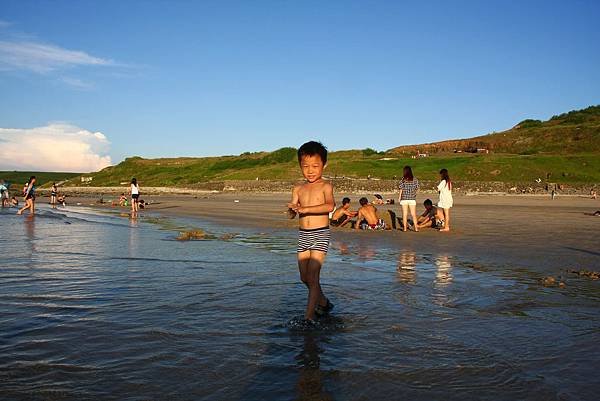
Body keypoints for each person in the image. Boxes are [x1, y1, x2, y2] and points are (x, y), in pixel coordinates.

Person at [287, 141, 335, 324]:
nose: (310, 170)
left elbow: (330, 205)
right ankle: (323, 302)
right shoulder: (298, 188)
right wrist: (292, 210)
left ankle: (309, 317)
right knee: (304, 277)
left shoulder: (326, 186)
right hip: (303, 235)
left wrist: (305, 209)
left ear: (324, 165)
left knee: (313, 276)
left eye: (315, 166)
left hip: (320, 233)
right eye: (305, 166)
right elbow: (294, 213)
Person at [398, 166, 419, 232]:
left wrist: (399, 197)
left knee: (404, 214)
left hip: (404, 198)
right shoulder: (415, 179)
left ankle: (404, 228)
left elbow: (401, 189)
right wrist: (414, 194)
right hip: (412, 199)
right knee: (413, 214)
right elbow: (417, 188)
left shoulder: (403, 179)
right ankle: (416, 228)